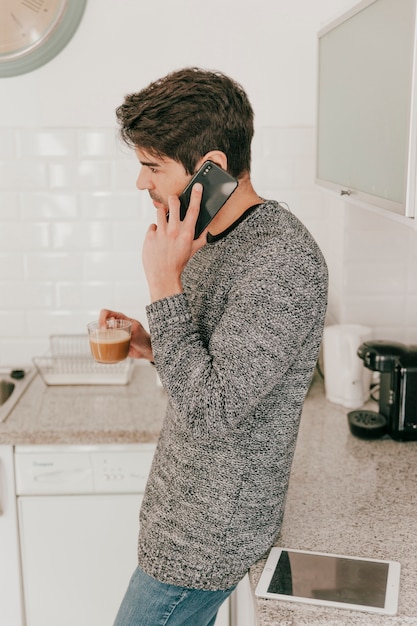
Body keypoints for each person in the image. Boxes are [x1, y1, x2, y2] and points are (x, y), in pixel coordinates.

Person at [102, 67, 328, 626]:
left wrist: (163, 286)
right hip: (182, 518)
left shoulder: (281, 259)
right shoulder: (208, 235)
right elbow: (214, 366)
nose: (141, 184)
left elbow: (215, 412)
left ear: (212, 168)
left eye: (152, 167)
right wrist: (153, 342)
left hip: (209, 538)